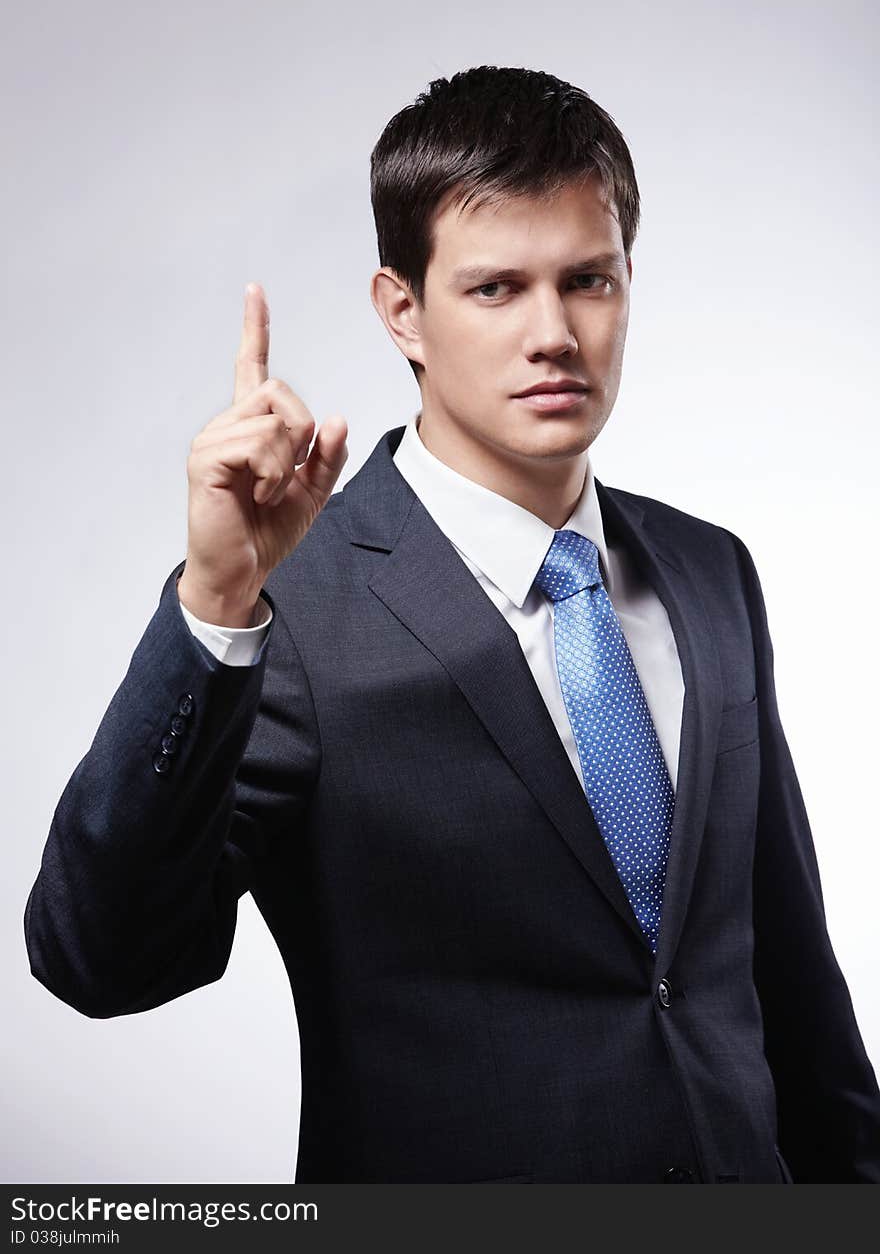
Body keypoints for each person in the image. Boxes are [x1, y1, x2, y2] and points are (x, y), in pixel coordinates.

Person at [25, 65, 880, 1184]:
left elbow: (795, 990)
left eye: (588, 280)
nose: (554, 333)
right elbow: (100, 957)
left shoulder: (709, 571)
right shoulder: (298, 605)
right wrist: (216, 604)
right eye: (494, 290)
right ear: (402, 312)